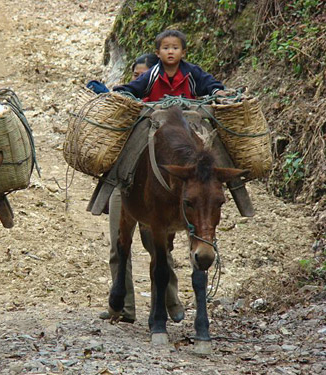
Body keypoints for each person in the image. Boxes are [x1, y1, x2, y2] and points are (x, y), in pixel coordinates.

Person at [100, 30, 227, 324]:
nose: (170, 53)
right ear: (157, 52)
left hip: (189, 125)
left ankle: (223, 187)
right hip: (155, 126)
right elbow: (134, 87)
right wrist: (125, 93)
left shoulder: (192, 73)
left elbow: (210, 84)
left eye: (175, 48)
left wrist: (218, 91)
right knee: (131, 146)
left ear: (183, 51)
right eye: (165, 48)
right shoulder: (152, 74)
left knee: (213, 148)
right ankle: (121, 177)